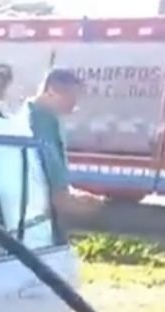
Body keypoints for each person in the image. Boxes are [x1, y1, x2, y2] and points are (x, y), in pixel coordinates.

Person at [24, 68, 104, 217]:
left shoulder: (53, 120)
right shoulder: (28, 120)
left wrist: (71, 193)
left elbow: (56, 177)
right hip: (29, 212)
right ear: (52, 91)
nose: (75, 104)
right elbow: (46, 174)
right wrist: (69, 200)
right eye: (72, 97)